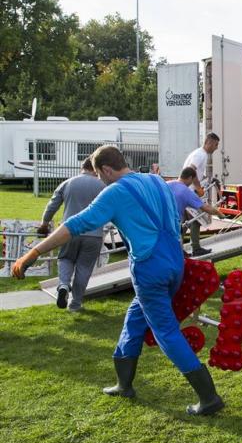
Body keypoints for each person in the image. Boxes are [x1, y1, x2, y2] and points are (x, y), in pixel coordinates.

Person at [12, 145, 224, 416]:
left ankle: (208, 397)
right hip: (174, 261)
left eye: (100, 176)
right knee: (135, 318)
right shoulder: (156, 180)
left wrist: (34, 252)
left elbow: (76, 224)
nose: (101, 181)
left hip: (150, 268)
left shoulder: (115, 192)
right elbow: (174, 217)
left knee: (166, 332)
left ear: (106, 170)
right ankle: (124, 384)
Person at [38, 157, 105, 312]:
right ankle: (75, 304)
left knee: (65, 258)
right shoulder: (103, 185)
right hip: (94, 234)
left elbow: (52, 205)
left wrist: (44, 223)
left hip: (68, 232)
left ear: (82, 167)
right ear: (95, 169)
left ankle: (63, 285)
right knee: (84, 268)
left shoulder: (68, 182)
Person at [167, 167, 222, 253]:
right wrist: (219, 213)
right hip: (173, 223)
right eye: (193, 181)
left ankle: (185, 250)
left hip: (159, 220)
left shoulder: (167, 184)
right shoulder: (187, 192)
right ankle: (191, 251)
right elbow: (206, 208)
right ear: (190, 178)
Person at [182, 133, 220, 256]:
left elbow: (195, 173)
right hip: (191, 191)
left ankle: (177, 247)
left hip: (187, 189)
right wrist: (199, 188)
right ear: (208, 142)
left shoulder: (197, 153)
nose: (216, 147)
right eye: (215, 144)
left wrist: (207, 179)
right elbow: (191, 170)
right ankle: (195, 248)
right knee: (196, 219)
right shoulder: (201, 154)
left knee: (189, 220)